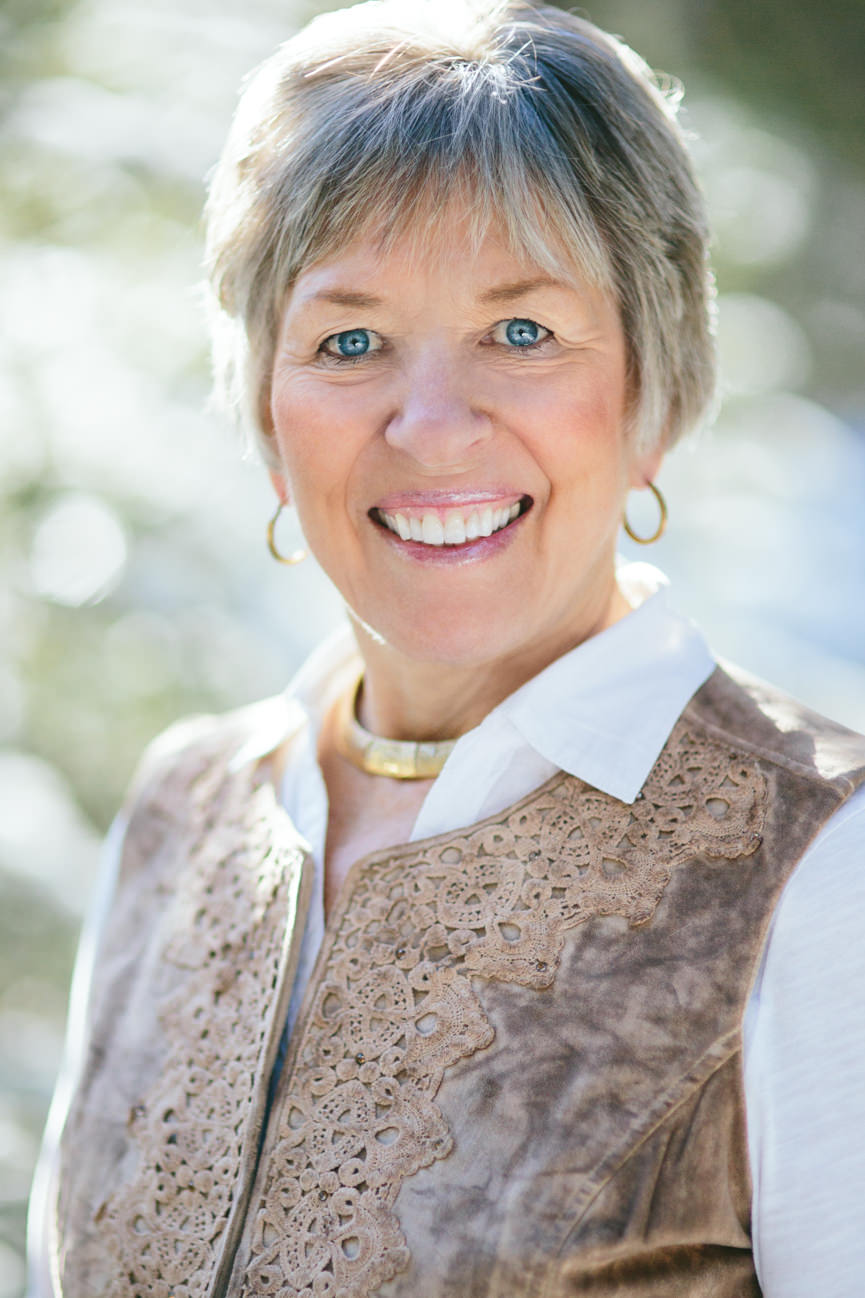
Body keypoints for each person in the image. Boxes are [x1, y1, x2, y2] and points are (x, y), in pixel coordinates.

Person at [26, 1, 865, 1294]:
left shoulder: (821, 858)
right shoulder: (181, 812)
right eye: (348, 340)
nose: (430, 425)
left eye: (520, 331)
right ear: (264, 405)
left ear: (652, 386)